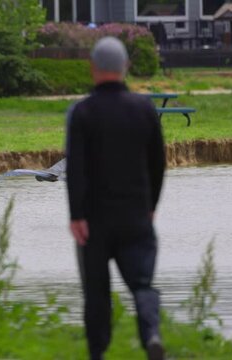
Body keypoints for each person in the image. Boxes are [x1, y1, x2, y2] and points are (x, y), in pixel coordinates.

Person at [66, 37, 166, 360]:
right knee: (142, 284)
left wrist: (76, 215)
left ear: (93, 68)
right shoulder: (144, 109)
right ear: (125, 68)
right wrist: (151, 206)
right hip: (136, 214)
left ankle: (97, 354)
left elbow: (76, 169)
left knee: (97, 292)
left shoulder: (82, 113)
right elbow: (158, 163)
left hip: (94, 220)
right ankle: (151, 334)